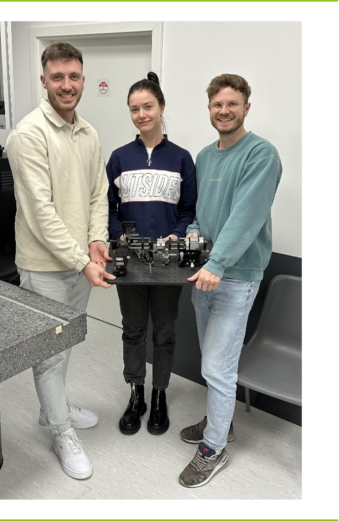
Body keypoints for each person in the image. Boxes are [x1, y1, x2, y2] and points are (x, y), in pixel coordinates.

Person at [5, 42, 115, 480]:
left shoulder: (88, 134)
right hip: (45, 268)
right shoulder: (27, 135)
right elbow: (40, 211)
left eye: (73, 77)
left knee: (65, 344)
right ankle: (61, 429)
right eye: (58, 77)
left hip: (79, 263)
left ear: (83, 79)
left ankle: (53, 408)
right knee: (49, 354)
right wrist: (79, 257)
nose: (66, 85)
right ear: (44, 80)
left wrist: (97, 241)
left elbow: (97, 195)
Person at [178, 73, 282, 487]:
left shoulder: (262, 154)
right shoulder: (205, 156)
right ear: (209, 109)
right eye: (217, 105)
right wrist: (191, 234)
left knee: (218, 368)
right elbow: (204, 214)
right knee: (212, 364)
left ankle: (214, 448)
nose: (224, 111)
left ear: (246, 107)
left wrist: (218, 263)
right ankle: (222, 424)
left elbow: (246, 216)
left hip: (233, 278)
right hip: (204, 274)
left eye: (232, 104)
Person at [106, 73, 197, 437]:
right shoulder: (119, 158)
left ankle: (159, 395)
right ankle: (136, 393)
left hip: (168, 264)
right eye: (134, 109)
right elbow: (108, 209)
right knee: (133, 330)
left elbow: (190, 209)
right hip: (128, 261)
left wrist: (177, 232)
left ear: (161, 108)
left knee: (164, 332)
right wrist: (118, 238)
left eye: (147, 107)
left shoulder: (181, 159)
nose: (141, 114)